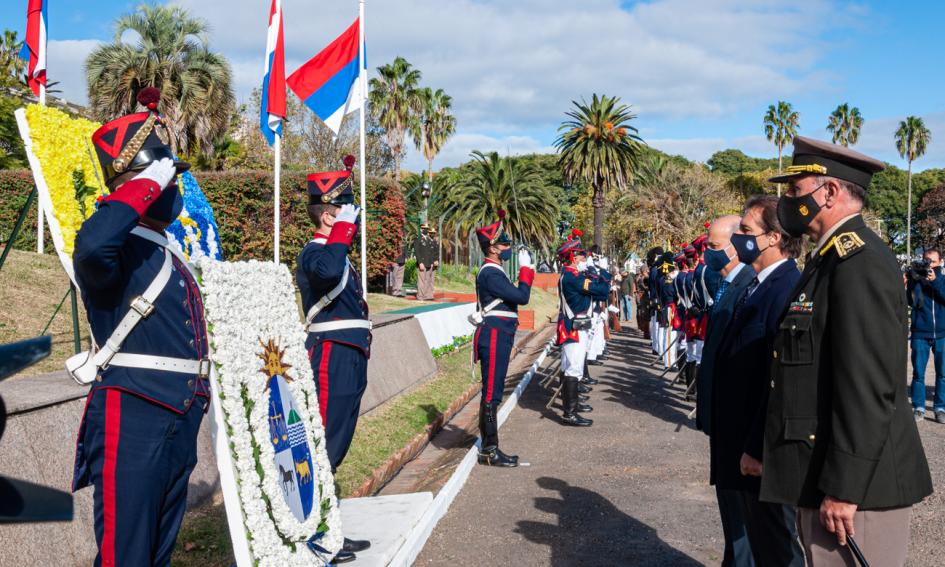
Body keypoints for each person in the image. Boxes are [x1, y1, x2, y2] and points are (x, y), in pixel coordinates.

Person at [762, 136, 932, 566]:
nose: (787, 202)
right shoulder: (828, 261)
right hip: (824, 479)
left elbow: (867, 386)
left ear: (830, 192)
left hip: (858, 493)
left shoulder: (860, 263)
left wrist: (845, 487)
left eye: (795, 192)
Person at [72, 87, 210, 566]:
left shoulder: (165, 248)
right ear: (139, 182)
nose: (174, 187)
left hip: (178, 412)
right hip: (133, 410)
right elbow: (91, 249)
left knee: (156, 551)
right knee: (125, 553)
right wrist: (144, 185)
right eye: (166, 177)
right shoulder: (114, 245)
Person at [711, 196, 804, 566]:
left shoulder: (786, 289)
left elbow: (778, 380)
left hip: (759, 451)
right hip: (741, 443)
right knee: (759, 543)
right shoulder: (759, 285)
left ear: (774, 238)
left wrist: (758, 448)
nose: (739, 239)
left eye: (747, 231)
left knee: (778, 548)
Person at [296, 155, 371, 562]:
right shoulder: (315, 253)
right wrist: (344, 229)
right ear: (327, 214)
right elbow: (325, 274)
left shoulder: (336, 251)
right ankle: (315, 534)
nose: (350, 217)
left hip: (350, 356)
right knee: (324, 444)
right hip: (330, 356)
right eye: (342, 209)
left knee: (337, 444)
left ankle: (329, 529)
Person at [695, 214, 757, 567]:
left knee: (744, 520)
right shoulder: (728, 284)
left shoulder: (747, 285)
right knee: (732, 516)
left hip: (737, 423)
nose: (708, 253)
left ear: (735, 248)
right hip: (722, 420)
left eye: (714, 246)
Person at [472, 209, 535, 466]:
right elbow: (522, 297)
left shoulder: (495, 271)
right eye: (504, 243)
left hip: (500, 333)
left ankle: (490, 446)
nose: (508, 246)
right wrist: (526, 271)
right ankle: (489, 449)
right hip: (495, 334)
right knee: (492, 392)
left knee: (493, 391)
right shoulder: (490, 273)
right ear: (493, 248)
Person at [555, 232, 609, 426]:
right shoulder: (573, 277)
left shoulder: (572, 275)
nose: (584, 258)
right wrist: (601, 272)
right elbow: (602, 291)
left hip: (577, 325)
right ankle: (569, 413)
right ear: (572, 257)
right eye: (580, 256)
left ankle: (572, 405)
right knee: (574, 368)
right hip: (574, 327)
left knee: (571, 366)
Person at [906, 247, 945, 423]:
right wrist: (909, 283)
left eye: (933, 262)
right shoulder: (916, 279)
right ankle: (919, 407)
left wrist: (935, 281)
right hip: (920, 333)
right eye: (926, 261)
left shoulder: (943, 280)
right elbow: (911, 301)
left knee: (943, 374)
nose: (929, 265)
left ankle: (940, 408)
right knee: (918, 374)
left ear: (941, 262)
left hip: (942, 334)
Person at [415, 224, 439, 300]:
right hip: (422, 263)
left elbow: (431, 252)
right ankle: (420, 296)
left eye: (426, 228)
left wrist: (432, 262)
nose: (425, 230)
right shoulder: (418, 239)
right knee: (421, 281)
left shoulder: (429, 240)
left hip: (429, 263)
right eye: (424, 228)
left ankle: (425, 295)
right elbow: (417, 252)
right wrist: (420, 262)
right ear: (421, 229)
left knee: (427, 280)